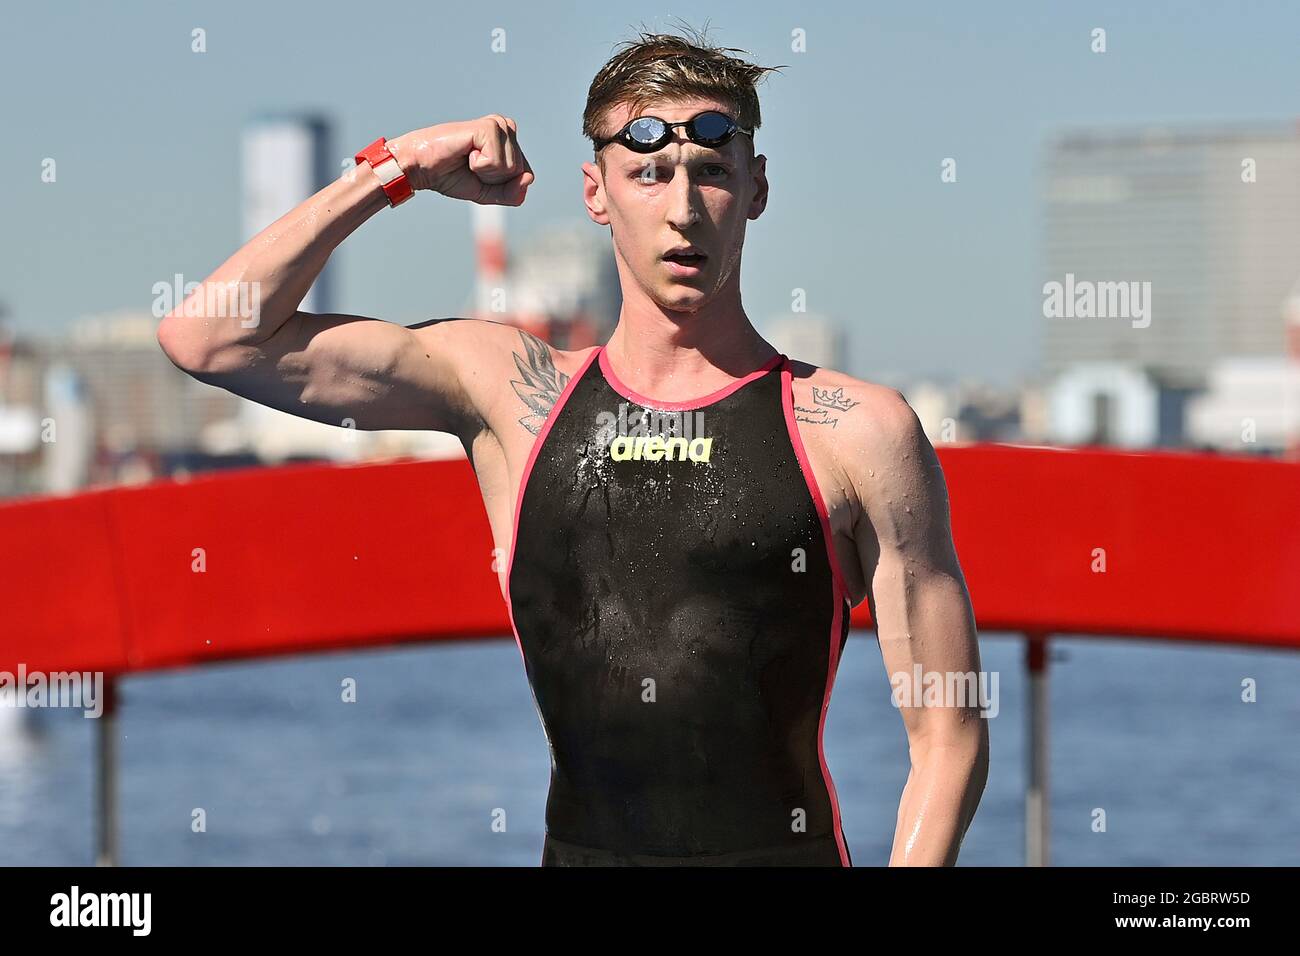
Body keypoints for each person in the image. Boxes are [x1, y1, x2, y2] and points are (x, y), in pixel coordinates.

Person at [157, 27, 988, 866]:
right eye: (648, 174)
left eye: (712, 172)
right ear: (596, 192)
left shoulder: (854, 429)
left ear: (757, 187)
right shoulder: (514, 396)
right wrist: (400, 166)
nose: (683, 208)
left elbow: (948, 731)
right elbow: (212, 340)